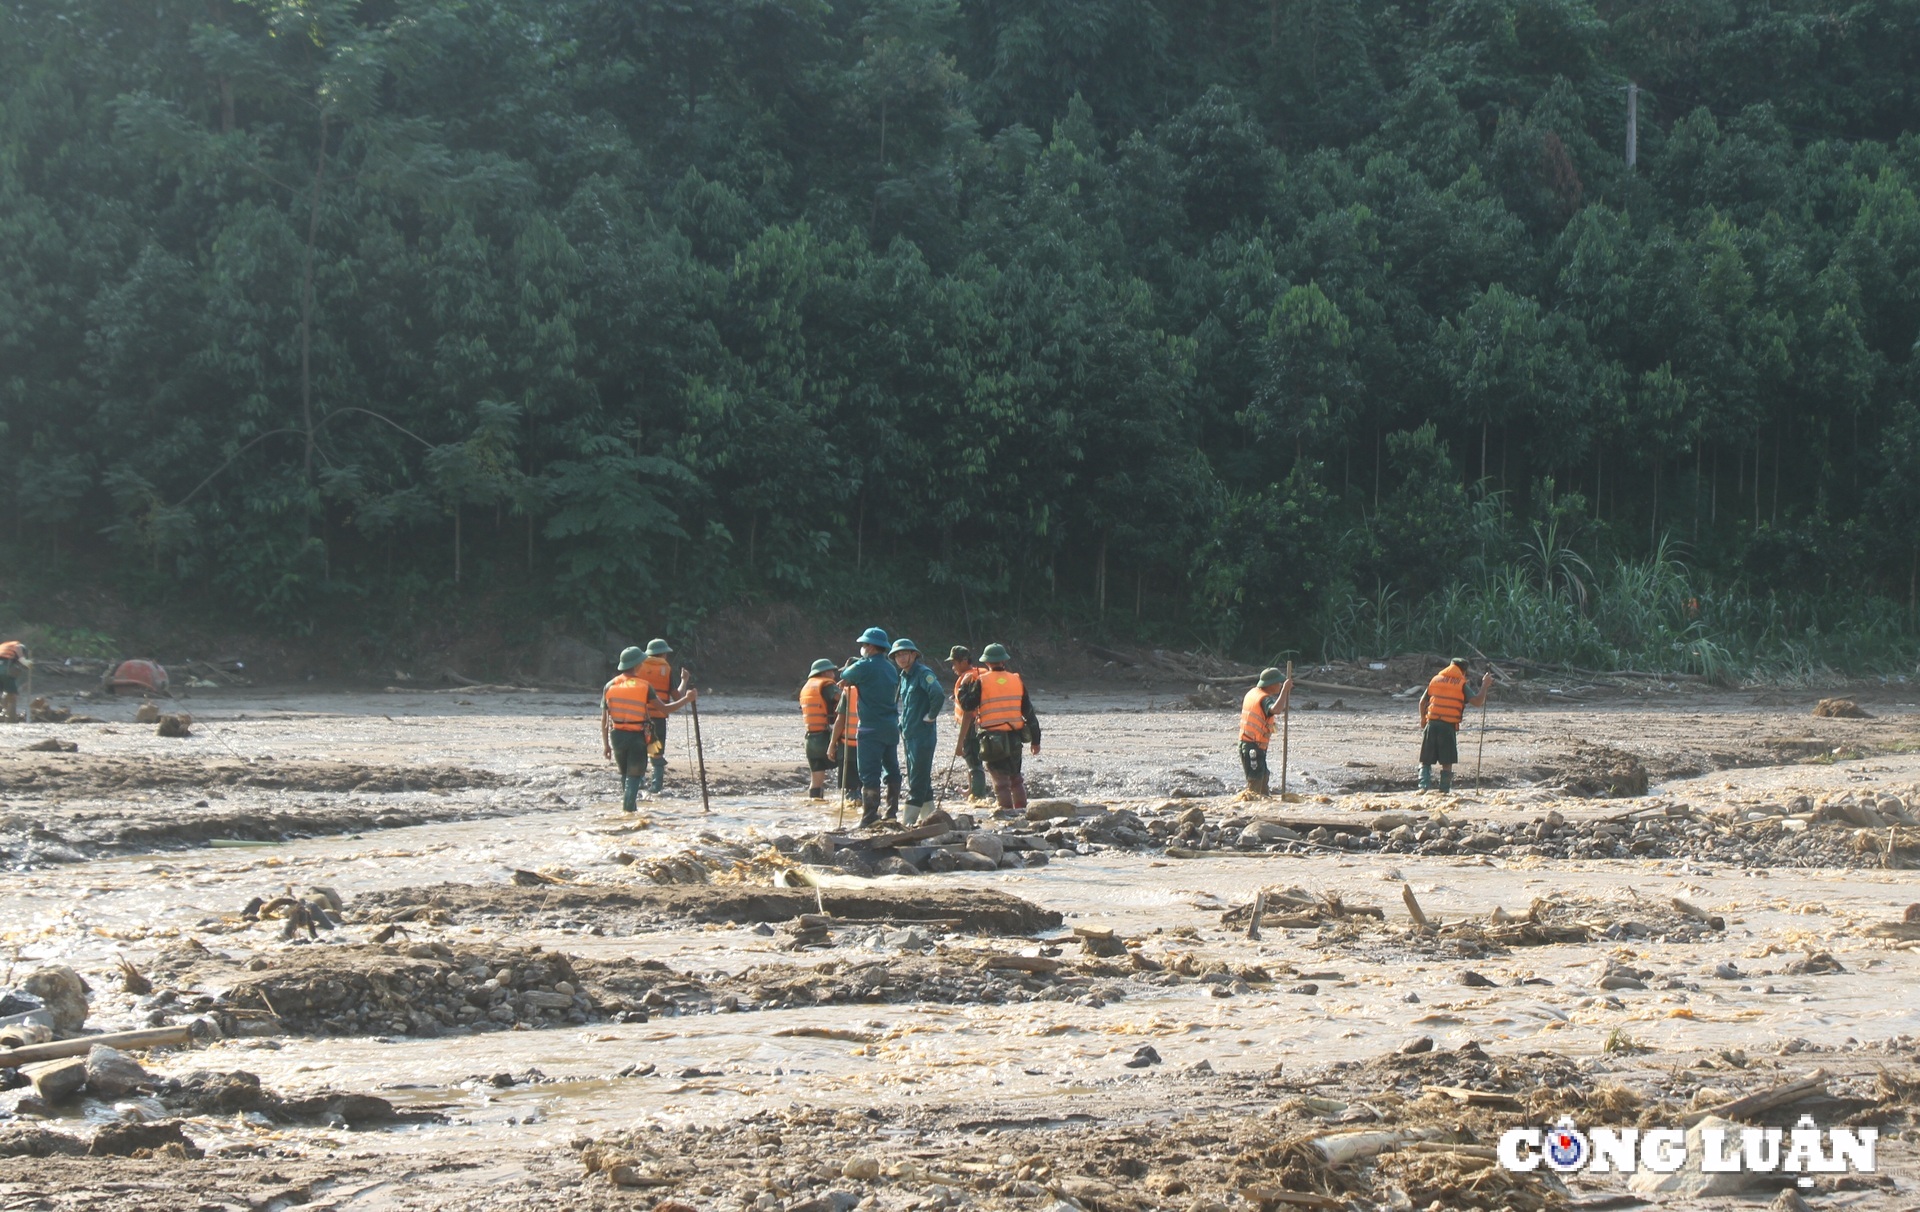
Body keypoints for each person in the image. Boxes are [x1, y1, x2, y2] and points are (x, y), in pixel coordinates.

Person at [601, 646, 695, 812]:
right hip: (636, 736)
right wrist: (687, 699)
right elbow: (664, 709)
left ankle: (628, 810)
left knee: (625, 774)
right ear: (638, 665)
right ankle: (629, 810)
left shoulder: (609, 686)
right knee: (634, 775)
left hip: (616, 736)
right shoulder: (645, 686)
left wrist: (606, 745)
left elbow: (605, 721)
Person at [955, 643, 1039, 813]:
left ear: (987, 663)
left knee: (1000, 781)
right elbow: (1030, 713)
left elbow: (967, 705)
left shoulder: (981, 681)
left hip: (992, 738)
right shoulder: (1016, 680)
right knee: (1016, 778)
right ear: (1004, 661)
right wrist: (1035, 741)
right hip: (1015, 736)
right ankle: (1022, 812)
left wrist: (964, 686)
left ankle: (1006, 813)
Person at [836, 626, 902, 826]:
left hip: (870, 729)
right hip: (890, 726)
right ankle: (891, 813)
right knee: (892, 769)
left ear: (871, 646)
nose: (863, 648)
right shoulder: (891, 667)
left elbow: (845, 676)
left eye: (864, 645)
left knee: (869, 773)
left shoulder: (865, 665)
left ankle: (870, 816)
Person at [890, 638, 946, 824]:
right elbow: (905, 706)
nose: (901, 658)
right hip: (909, 735)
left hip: (923, 735)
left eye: (904, 654)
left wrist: (931, 716)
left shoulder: (923, 673)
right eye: (897, 655)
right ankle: (930, 820)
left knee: (916, 780)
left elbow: (937, 693)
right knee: (923, 781)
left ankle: (908, 822)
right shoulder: (904, 677)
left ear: (914, 655)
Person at [1418, 657, 1492, 792]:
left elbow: (1422, 702)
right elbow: (1477, 702)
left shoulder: (1436, 680)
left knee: (1425, 760)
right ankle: (1444, 791)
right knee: (1447, 762)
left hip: (1432, 724)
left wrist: (1423, 720)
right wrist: (1484, 686)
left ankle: (1423, 788)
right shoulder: (1461, 684)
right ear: (1463, 672)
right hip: (1448, 727)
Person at [634, 638, 690, 794]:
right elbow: (678, 697)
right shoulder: (667, 669)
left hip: (639, 716)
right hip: (658, 717)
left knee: (639, 751)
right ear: (664, 654)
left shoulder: (638, 667)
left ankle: (638, 784)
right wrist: (684, 680)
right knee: (656, 752)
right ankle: (656, 787)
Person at [1238, 667, 1296, 796]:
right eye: (1279, 683)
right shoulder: (1264, 698)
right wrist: (1285, 691)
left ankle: (1262, 802)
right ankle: (1254, 805)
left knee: (1263, 775)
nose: (1280, 686)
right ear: (1271, 684)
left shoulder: (1253, 693)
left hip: (1249, 744)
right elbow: (1276, 709)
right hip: (1253, 746)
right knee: (1257, 778)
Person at [946, 646, 988, 801]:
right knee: (976, 759)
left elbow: (968, 714)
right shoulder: (982, 673)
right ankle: (972, 790)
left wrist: (960, 742)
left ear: (964, 661)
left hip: (974, 726)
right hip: (989, 723)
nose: (953, 668)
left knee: (974, 761)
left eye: (954, 663)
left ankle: (978, 798)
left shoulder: (968, 679)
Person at [799, 659, 842, 801]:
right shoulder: (828, 686)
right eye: (832, 672)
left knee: (816, 780)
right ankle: (850, 801)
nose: (834, 676)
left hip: (811, 739)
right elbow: (842, 699)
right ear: (825, 672)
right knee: (849, 768)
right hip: (826, 737)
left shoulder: (806, 687)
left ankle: (815, 804)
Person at [0, 640, 27, 723]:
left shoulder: (4, 646)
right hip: (4, 672)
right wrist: (28, 663)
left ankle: (3, 714)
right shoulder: (18, 646)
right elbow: (22, 659)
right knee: (12, 694)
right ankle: (10, 718)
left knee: (2, 693)